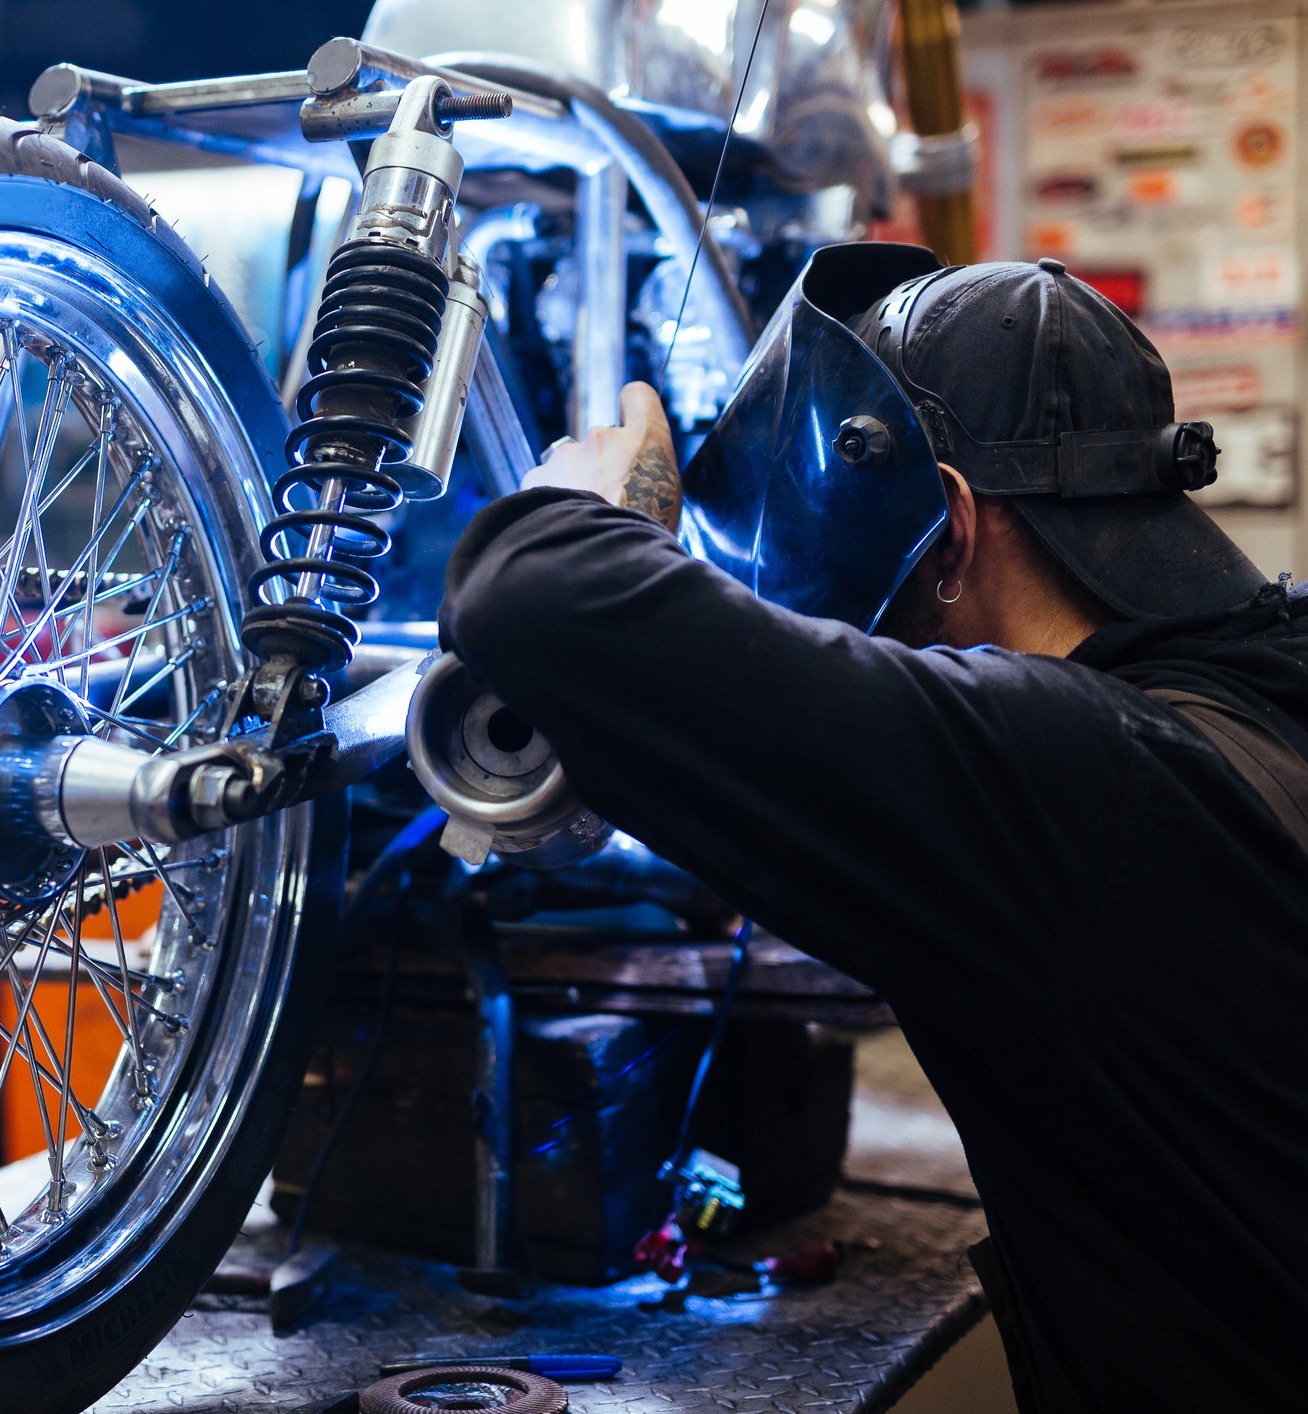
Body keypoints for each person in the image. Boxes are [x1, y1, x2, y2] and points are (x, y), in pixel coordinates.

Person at [438, 243, 1308, 1412]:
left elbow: (536, 595)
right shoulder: (1256, 687)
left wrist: (602, 497)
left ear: (950, 528)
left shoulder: (1077, 776)